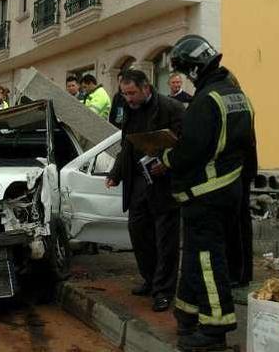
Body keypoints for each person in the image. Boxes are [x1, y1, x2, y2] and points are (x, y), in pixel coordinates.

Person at [156, 35, 257, 351]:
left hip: (205, 192)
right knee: (195, 256)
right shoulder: (237, 95)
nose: (187, 78)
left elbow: (190, 151)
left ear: (195, 68)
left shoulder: (206, 100)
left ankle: (215, 328)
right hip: (229, 188)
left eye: (186, 72)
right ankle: (187, 315)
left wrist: (165, 158)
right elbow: (247, 147)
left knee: (209, 259)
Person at [105, 69, 185, 313]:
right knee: (138, 232)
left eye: (132, 93)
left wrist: (166, 161)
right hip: (138, 181)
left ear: (146, 88)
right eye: (124, 93)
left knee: (165, 240)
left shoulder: (172, 108)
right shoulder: (129, 109)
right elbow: (126, 145)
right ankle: (150, 280)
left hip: (165, 183)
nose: (128, 98)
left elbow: (186, 144)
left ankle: (164, 291)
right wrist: (115, 173)